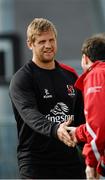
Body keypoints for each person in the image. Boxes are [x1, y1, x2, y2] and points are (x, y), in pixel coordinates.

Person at [9, 18, 86, 179]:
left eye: (51, 40)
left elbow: (81, 118)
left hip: (70, 163)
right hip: (36, 164)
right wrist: (56, 129)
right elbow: (29, 113)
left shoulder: (70, 75)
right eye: (42, 41)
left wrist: (90, 157)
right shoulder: (22, 78)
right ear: (30, 44)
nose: (48, 45)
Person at [66, 33, 105, 179]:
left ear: (85, 58)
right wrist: (78, 132)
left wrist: (90, 162)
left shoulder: (98, 75)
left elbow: (99, 124)